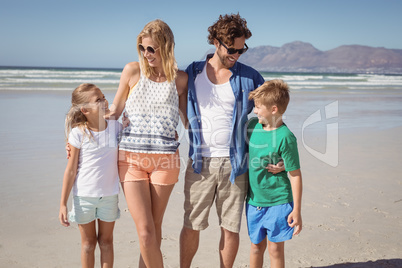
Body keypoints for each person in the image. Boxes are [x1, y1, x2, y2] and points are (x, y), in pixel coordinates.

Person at [180, 13, 280, 268]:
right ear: (215, 41)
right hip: (199, 163)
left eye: (241, 49)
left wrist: (278, 151)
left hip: (237, 164)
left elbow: (272, 111)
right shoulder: (192, 72)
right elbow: (165, 92)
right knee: (192, 225)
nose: (236, 55)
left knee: (230, 227)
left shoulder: (251, 77)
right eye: (231, 49)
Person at [105, 19, 188, 268]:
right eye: (142, 48)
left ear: (166, 45)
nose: (146, 54)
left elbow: (188, 120)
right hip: (131, 160)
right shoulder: (132, 71)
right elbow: (115, 110)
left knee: (154, 227)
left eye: (151, 48)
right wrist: (84, 129)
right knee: (145, 232)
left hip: (166, 161)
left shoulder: (180, 79)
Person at [59, 83, 122, 268]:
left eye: (103, 96)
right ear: (85, 109)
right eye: (98, 100)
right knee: (88, 244)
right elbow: (70, 171)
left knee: (107, 242)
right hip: (83, 197)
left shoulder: (116, 127)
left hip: (109, 195)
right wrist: (62, 203)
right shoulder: (78, 133)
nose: (105, 101)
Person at [246, 79, 303, 268]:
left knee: (275, 250)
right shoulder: (252, 127)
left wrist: (297, 210)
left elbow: (295, 174)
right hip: (254, 202)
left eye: (258, 107)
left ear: (274, 109)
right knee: (255, 248)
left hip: (278, 201)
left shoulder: (286, 137)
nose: (254, 111)